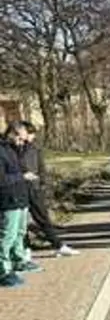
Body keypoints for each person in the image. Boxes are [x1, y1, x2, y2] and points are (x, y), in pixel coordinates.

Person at [18, 122, 79, 256]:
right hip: (19, 188)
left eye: (32, 133)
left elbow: (41, 168)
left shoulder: (35, 148)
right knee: (20, 222)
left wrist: (42, 184)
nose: (32, 136)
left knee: (42, 218)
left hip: (34, 188)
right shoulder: (15, 149)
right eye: (30, 133)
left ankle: (58, 245)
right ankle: (24, 249)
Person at [0, 123, 42, 287]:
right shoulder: (2, 151)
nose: (22, 143)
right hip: (8, 199)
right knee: (7, 236)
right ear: (11, 134)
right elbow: (2, 179)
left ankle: (18, 261)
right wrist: (22, 176)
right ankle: (3, 270)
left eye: (24, 140)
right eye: (20, 139)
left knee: (19, 233)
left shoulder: (15, 150)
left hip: (20, 197)